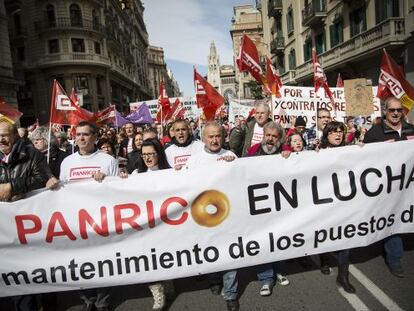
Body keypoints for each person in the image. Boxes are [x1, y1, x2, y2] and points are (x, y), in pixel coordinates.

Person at [59, 121, 119, 311]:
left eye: (85, 134)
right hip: (76, 222)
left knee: (102, 262)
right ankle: (87, 299)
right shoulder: (67, 162)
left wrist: (106, 181)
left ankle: (102, 301)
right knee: (80, 263)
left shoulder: (108, 160)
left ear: (94, 137)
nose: (81, 138)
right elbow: (62, 191)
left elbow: (120, 191)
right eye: (78, 135)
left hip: (101, 221)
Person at [186, 122, 238, 311]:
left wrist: (234, 168)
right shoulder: (194, 161)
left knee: (230, 254)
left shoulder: (231, 156)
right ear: (203, 138)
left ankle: (231, 294)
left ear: (223, 137)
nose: (215, 140)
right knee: (211, 252)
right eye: (210, 136)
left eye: (218, 136)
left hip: (228, 215)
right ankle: (214, 279)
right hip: (204, 217)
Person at [0, 121, 50, 311]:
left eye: (5, 135)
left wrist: (12, 186)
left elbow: (43, 179)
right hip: (3, 229)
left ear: (15, 136)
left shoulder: (32, 155)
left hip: (28, 226)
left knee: (25, 277)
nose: (1, 140)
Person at [364, 96, 414, 278]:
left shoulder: (411, 129)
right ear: (384, 111)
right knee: (393, 220)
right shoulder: (374, 133)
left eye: (399, 110)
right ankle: (394, 259)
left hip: (409, 186)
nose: (395, 113)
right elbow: (365, 161)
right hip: (386, 188)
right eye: (392, 110)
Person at [120, 139, 170, 310]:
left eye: (152, 154)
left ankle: (169, 280)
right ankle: (157, 291)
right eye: (145, 154)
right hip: (146, 227)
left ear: (159, 154)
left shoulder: (171, 174)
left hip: (167, 224)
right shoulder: (135, 175)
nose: (148, 158)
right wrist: (122, 180)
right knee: (149, 258)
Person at [245, 122, 291, 296]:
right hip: (259, 205)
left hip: (280, 205)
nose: (270, 139)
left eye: (274, 136)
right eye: (268, 135)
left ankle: (279, 270)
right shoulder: (253, 151)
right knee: (263, 241)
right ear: (263, 135)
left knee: (279, 239)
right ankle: (265, 278)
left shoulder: (286, 151)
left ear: (280, 139)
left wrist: (291, 156)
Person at [319, 121, 356, 293]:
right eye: (334, 132)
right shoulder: (318, 153)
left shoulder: (350, 150)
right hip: (325, 205)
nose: (338, 134)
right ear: (327, 135)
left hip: (344, 204)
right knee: (326, 236)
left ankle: (343, 276)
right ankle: (324, 259)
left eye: (341, 131)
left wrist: (363, 150)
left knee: (345, 239)